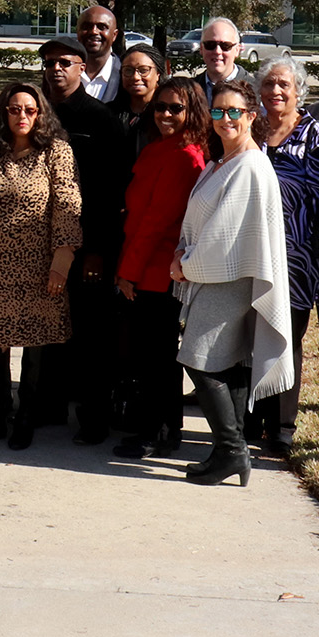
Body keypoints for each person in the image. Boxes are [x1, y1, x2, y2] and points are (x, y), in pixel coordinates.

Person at [168, 80, 293, 486]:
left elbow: (224, 236)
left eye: (234, 112)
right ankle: (230, 451)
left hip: (230, 278)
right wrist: (183, 253)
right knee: (230, 363)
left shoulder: (250, 166)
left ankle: (232, 450)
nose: (225, 120)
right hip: (219, 275)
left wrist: (186, 264)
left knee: (199, 361)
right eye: (218, 112)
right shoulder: (222, 162)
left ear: (251, 116)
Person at [0, 83, 81, 449]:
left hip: (41, 267)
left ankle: (26, 417)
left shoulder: (56, 152)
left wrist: (61, 262)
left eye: (29, 110)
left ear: (40, 114)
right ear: (3, 112)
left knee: (35, 344)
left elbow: (68, 207)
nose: (22, 116)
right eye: (14, 109)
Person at [36, 34, 130, 444]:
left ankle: (94, 419)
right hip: (40, 243)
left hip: (87, 245)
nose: (56, 69)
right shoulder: (34, 114)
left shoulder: (100, 118)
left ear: (81, 67)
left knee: (92, 336)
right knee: (50, 329)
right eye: (50, 63)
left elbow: (112, 192)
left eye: (65, 62)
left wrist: (96, 251)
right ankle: (48, 407)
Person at [110, 75, 208, 459]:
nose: (166, 114)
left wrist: (128, 271)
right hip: (140, 261)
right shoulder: (157, 148)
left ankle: (161, 431)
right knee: (148, 354)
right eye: (161, 107)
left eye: (176, 108)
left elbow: (158, 221)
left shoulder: (186, 155)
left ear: (192, 111)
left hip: (156, 272)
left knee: (157, 358)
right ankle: (154, 426)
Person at [247, 57, 319, 455]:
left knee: (285, 337)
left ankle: (282, 426)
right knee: (250, 335)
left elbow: (318, 195)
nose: (276, 92)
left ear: (299, 90)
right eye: (268, 85)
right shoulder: (252, 128)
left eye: (284, 85)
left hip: (295, 254)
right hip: (248, 249)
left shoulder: (314, 133)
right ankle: (251, 419)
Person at [113, 44, 165, 158]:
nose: (135, 77)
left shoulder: (168, 114)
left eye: (143, 70)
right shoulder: (109, 114)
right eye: (128, 70)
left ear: (158, 74)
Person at [197, 17, 258, 103]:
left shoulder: (255, 90)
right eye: (210, 45)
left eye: (225, 46)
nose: (217, 51)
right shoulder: (187, 90)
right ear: (201, 48)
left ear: (237, 50)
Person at [76, 5, 123, 103]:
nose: (94, 31)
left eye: (102, 27)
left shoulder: (125, 76)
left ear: (114, 35)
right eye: (86, 26)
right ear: (78, 31)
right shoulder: (63, 72)